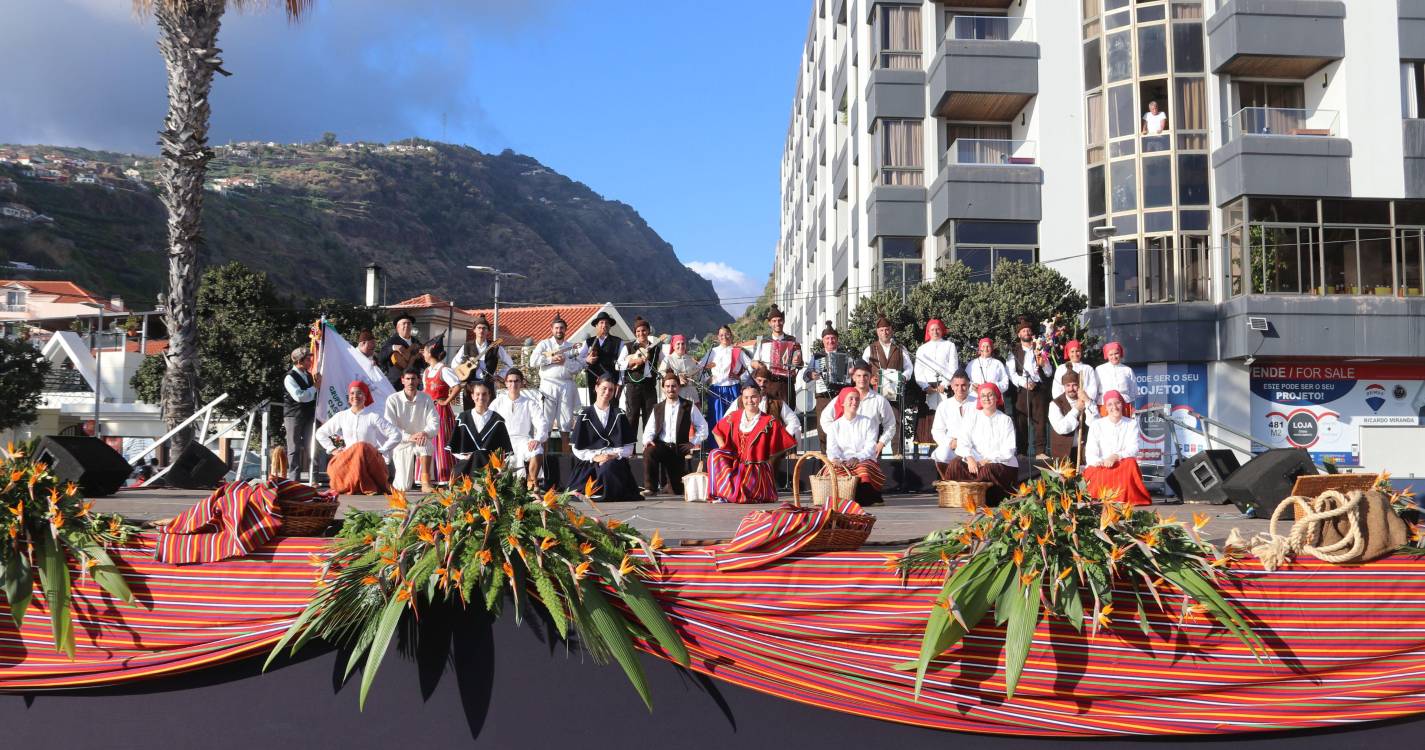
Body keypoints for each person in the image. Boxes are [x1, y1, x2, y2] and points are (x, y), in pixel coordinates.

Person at [708, 383, 796, 504]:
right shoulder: (734, 416)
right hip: (735, 462)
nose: (750, 400)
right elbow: (716, 431)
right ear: (742, 399)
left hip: (756, 468)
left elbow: (780, 445)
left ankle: (731, 493)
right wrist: (724, 449)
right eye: (746, 397)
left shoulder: (769, 421)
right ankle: (724, 492)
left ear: (759, 398)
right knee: (715, 453)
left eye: (753, 397)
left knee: (746, 492)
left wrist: (767, 463)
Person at [316, 381, 401, 495]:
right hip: (349, 459)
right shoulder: (342, 416)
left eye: (359, 393)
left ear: (365, 397)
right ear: (349, 397)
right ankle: (354, 484)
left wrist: (382, 450)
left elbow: (396, 434)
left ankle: (367, 484)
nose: (355, 396)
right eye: (352, 393)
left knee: (361, 447)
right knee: (334, 468)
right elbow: (320, 433)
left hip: (370, 460)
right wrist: (333, 449)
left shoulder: (373, 416)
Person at [942, 383, 1019, 505]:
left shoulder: (1005, 420)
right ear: (979, 399)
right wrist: (969, 457)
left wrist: (987, 460)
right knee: (955, 464)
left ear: (997, 397)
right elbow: (963, 441)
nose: (987, 399)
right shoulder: (972, 417)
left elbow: (1008, 451)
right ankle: (959, 498)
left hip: (1000, 463)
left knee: (987, 470)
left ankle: (983, 501)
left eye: (990, 395)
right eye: (983, 396)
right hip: (975, 462)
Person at [568, 375, 641, 501]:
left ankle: (605, 492)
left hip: (614, 461)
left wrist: (613, 455)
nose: (607, 392)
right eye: (604, 388)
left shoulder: (620, 414)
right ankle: (599, 491)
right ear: (596, 388)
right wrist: (595, 457)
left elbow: (629, 447)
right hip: (591, 462)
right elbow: (576, 448)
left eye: (611, 390)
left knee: (609, 467)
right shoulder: (584, 414)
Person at [641, 372, 708, 496]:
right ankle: (650, 488)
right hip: (662, 447)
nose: (670, 389)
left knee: (676, 491)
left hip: (679, 449)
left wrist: (692, 443)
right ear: (663, 388)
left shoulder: (688, 406)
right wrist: (648, 440)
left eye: (673, 386)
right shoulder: (658, 407)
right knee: (649, 451)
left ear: (678, 387)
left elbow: (703, 427)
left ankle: (668, 487)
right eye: (667, 386)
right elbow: (649, 429)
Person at [1082, 390, 1151, 506]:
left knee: (1131, 463)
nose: (1114, 407)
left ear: (1122, 404)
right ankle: (1100, 497)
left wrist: (1115, 456)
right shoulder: (1096, 425)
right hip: (1101, 466)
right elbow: (1090, 452)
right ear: (1105, 408)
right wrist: (1100, 462)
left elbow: (1133, 448)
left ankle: (1125, 498)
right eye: (1110, 404)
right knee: (1093, 472)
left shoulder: (1131, 423)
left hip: (1120, 464)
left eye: (1117, 403)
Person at [823, 387, 887, 506]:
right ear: (842, 402)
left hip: (863, 460)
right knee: (830, 471)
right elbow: (831, 448)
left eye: (857, 399)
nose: (854, 402)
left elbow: (870, 447)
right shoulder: (834, 426)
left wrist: (857, 458)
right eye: (851, 399)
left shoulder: (868, 422)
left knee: (863, 470)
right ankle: (840, 498)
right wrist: (836, 459)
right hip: (842, 460)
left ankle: (867, 498)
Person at [530, 314, 584, 453]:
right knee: (546, 422)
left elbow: (578, 367)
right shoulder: (544, 344)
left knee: (566, 424)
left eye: (561, 328)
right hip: (548, 385)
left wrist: (565, 361)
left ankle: (566, 459)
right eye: (556, 328)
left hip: (566, 385)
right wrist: (552, 360)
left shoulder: (571, 347)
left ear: (565, 329)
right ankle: (545, 459)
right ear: (552, 329)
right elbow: (533, 361)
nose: (559, 330)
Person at [492, 368, 551, 491]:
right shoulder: (498, 402)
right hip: (503, 442)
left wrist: (537, 439)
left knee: (537, 449)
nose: (513, 384)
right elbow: (489, 423)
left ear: (522, 382)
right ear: (506, 383)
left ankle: (532, 482)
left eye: (516, 381)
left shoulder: (530, 403)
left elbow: (542, 424)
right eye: (510, 381)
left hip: (524, 440)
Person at [862, 314, 914, 455]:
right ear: (877, 332)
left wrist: (903, 377)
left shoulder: (900, 348)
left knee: (896, 422)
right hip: (875, 394)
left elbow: (909, 367)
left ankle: (897, 454)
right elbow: (862, 368)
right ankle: (871, 457)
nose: (884, 333)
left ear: (891, 331)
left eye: (887, 329)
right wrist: (870, 379)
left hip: (894, 392)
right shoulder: (870, 349)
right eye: (881, 330)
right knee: (873, 423)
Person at [818, 360, 895, 452]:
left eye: (865, 375)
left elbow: (890, 425)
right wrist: (835, 437)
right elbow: (825, 418)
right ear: (853, 378)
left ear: (870, 377)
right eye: (858, 376)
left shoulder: (879, 400)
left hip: (869, 453)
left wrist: (881, 443)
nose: (862, 379)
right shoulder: (843, 397)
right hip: (844, 453)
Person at [802, 321, 854, 451]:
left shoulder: (846, 356)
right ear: (823, 341)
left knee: (843, 426)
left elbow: (854, 377)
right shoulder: (817, 357)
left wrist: (852, 373)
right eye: (827, 338)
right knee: (822, 428)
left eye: (833, 338)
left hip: (841, 397)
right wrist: (811, 375)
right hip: (823, 396)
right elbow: (805, 375)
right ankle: (825, 459)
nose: (830, 341)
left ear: (837, 340)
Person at [383, 370, 437, 492]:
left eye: (413, 379)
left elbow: (434, 420)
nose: (410, 382)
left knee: (426, 446)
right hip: (401, 442)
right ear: (402, 380)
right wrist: (408, 437)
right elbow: (390, 426)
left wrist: (425, 433)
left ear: (418, 380)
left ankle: (425, 482)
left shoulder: (426, 398)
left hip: (420, 439)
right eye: (407, 379)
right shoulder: (393, 399)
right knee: (403, 486)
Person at [1009, 316, 1054, 461]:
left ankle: (1040, 451)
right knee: (1021, 420)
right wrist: (1024, 382)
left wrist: (1043, 364)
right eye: (1023, 331)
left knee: (1040, 420)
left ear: (1031, 334)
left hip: (1039, 389)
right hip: (1022, 390)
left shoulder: (1040, 348)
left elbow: (1048, 372)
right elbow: (1011, 373)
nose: (1026, 333)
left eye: (1028, 330)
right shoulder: (1013, 352)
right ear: (1019, 335)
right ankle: (1021, 451)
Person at [449, 379, 514, 476]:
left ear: (489, 396)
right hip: (468, 465)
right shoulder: (462, 418)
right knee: (473, 459)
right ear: (472, 396)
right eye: (477, 394)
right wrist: (465, 457)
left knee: (479, 455)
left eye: (484, 394)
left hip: (490, 467)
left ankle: (479, 488)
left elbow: (505, 449)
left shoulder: (497, 420)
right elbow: (455, 445)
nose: (481, 397)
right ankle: (475, 488)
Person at [617, 316, 663, 450]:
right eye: (638, 331)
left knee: (650, 417)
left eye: (643, 330)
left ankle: (648, 448)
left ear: (648, 331)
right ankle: (629, 450)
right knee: (632, 417)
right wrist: (632, 362)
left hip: (649, 386)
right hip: (633, 386)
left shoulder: (655, 349)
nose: (641, 333)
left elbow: (666, 363)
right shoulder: (629, 347)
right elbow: (617, 365)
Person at [421, 336, 462, 485]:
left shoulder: (444, 370)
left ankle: (444, 475)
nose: (423, 354)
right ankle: (429, 475)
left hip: (441, 410)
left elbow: (457, 386)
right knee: (429, 440)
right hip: (428, 409)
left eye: (424, 351)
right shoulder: (426, 371)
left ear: (431, 351)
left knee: (441, 440)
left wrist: (446, 401)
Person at [752, 365, 801, 487]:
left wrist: (780, 438)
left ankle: (765, 487)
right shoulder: (742, 400)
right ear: (753, 381)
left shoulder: (777, 403)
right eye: (759, 380)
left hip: (769, 446)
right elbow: (727, 421)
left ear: (769, 384)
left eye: (765, 381)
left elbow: (794, 421)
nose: (762, 384)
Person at [914, 318, 959, 446]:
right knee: (929, 418)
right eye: (932, 329)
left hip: (946, 386)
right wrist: (925, 386)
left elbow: (953, 367)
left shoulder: (950, 345)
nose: (935, 332)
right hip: (927, 388)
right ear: (928, 331)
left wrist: (945, 384)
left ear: (942, 330)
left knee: (947, 416)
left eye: (937, 329)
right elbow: (918, 371)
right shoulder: (922, 349)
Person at [698, 325, 749, 434]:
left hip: (733, 388)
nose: (724, 337)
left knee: (735, 418)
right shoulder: (713, 351)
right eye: (721, 335)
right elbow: (699, 366)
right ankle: (718, 447)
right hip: (716, 389)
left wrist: (741, 377)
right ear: (718, 337)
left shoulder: (737, 351)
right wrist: (707, 379)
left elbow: (751, 367)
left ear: (731, 335)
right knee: (717, 418)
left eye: (727, 334)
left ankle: (735, 446)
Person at [749, 304, 802, 401]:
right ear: (769, 323)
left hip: (786, 385)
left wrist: (797, 361)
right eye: (774, 321)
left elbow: (799, 364)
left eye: (779, 320)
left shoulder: (792, 341)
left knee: (787, 413)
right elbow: (753, 362)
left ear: (783, 321)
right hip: (768, 384)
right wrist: (759, 366)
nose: (777, 323)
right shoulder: (763, 341)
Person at [282, 346, 319, 482]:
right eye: (308, 359)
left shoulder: (309, 376)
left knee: (312, 446)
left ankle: (314, 479)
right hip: (294, 416)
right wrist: (314, 388)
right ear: (299, 361)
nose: (310, 361)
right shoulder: (289, 378)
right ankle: (294, 480)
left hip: (309, 415)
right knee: (294, 448)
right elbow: (299, 396)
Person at [930, 371, 976, 472]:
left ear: (969, 385)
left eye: (963, 385)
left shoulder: (977, 403)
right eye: (957, 385)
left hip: (973, 447)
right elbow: (937, 431)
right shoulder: (944, 405)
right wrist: (950, 442)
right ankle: (946, 484)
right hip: (952, 447)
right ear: (951, 386)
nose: (960, 389)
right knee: (940, 455)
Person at [1048, 370, 1096, 466]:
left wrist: (1087, 401)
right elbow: (1061, 428)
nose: (1071, 389)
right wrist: (1076, 409)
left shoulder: (1087, 400)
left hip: (1084, 452)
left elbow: (1095, 423)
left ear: (1079, 385)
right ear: (1064, 387)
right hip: (1063, 453)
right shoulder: (1055, 404)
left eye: (1074, 385)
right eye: (1068, 385)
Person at [453, 314, 513, 385]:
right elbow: (454, 363)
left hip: (488, 384)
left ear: (488, 331)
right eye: (479, 328)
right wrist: (462, 373)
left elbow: (510, 363)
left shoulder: (495, 347)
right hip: (469, 384)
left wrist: (500, 376)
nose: (481, 330)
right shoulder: (466, 346)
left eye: (484, 328)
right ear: (474, 330)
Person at [581, 311, 623, 405]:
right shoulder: (589, 341)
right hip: (594, 380)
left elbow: (622, 363)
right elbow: (579, 359)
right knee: (595, 407)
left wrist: (620, 382)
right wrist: (587, 360)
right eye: (601, 323)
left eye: (607, 323)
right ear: (596, 325)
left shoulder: (618, 342)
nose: (604, 325)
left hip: (612, 380)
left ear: (610, 326)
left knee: (612, 408)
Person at [1095, 341, 1139, 415]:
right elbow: (1095, 390)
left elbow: (1133, 391)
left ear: (1120, 353)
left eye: (1116, 353)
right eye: (1111, 354)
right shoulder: (1099, 369)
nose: (1114, 357)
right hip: (1104, 405)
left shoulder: (1127, 370)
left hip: (1124, 405)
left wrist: (1125, 399)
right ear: (1107, 355)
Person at [378, 314, 421, 390]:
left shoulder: (416, 342)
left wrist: (422, 356)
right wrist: (393, 347)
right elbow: (380, 357)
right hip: (396, 383)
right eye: (404, 323)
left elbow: (423, 364)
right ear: (397, 328)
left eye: (409, 323)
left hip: (413, 383)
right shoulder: (392, 341)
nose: (407, 325)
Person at [1051, 340, 1100, 404]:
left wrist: (1086, 400)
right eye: (1072, 351)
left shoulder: (1088, 368)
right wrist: (1062, 403)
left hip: (1084, 403)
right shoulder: (1061, 368)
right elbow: (1057, 388)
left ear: (1081, 352)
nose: (1075, 354)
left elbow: (1092, 388)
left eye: (1077, 351)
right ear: (1068, 353)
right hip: (1066, 405)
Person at [659, 334, 701, 403]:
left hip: (691, 395)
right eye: (678, 344)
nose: (681, 346)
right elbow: (661, 373)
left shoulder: (690, 359)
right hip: (676, 395)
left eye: (683, 344)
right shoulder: (668, 359)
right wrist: (675, 378)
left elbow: (697, 376)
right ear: (673, 346)